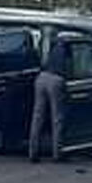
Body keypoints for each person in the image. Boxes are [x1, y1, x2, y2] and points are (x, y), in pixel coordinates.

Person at [28, 31, 69, 162]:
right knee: (57, 118)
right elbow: (70, 67)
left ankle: (33, 153)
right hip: (56, 80)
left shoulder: (51, 46)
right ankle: (57, 154)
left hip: (41, 77)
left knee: (37, 117)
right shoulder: (67, 48)